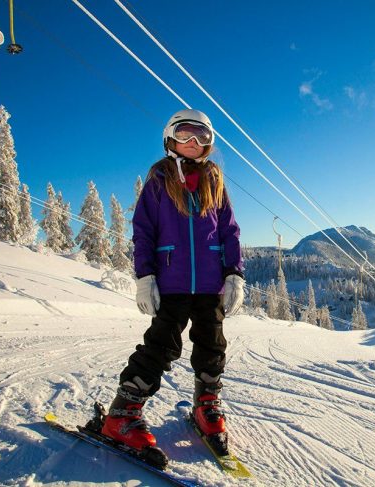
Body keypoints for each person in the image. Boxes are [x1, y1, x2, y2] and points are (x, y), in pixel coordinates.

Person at [101, 109, 245, 455]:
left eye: (201, 136)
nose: (193, 142)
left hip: (210, 285)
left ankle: (206, 403)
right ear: (170, 138)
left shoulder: (214, 180)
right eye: (185, 135)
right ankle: (123, 412)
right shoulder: (159, 180)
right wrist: (146, 276)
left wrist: (234, 273)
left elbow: (229, 230)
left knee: (213, 345)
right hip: (171, 282)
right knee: (161, 346)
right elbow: (144, 231)